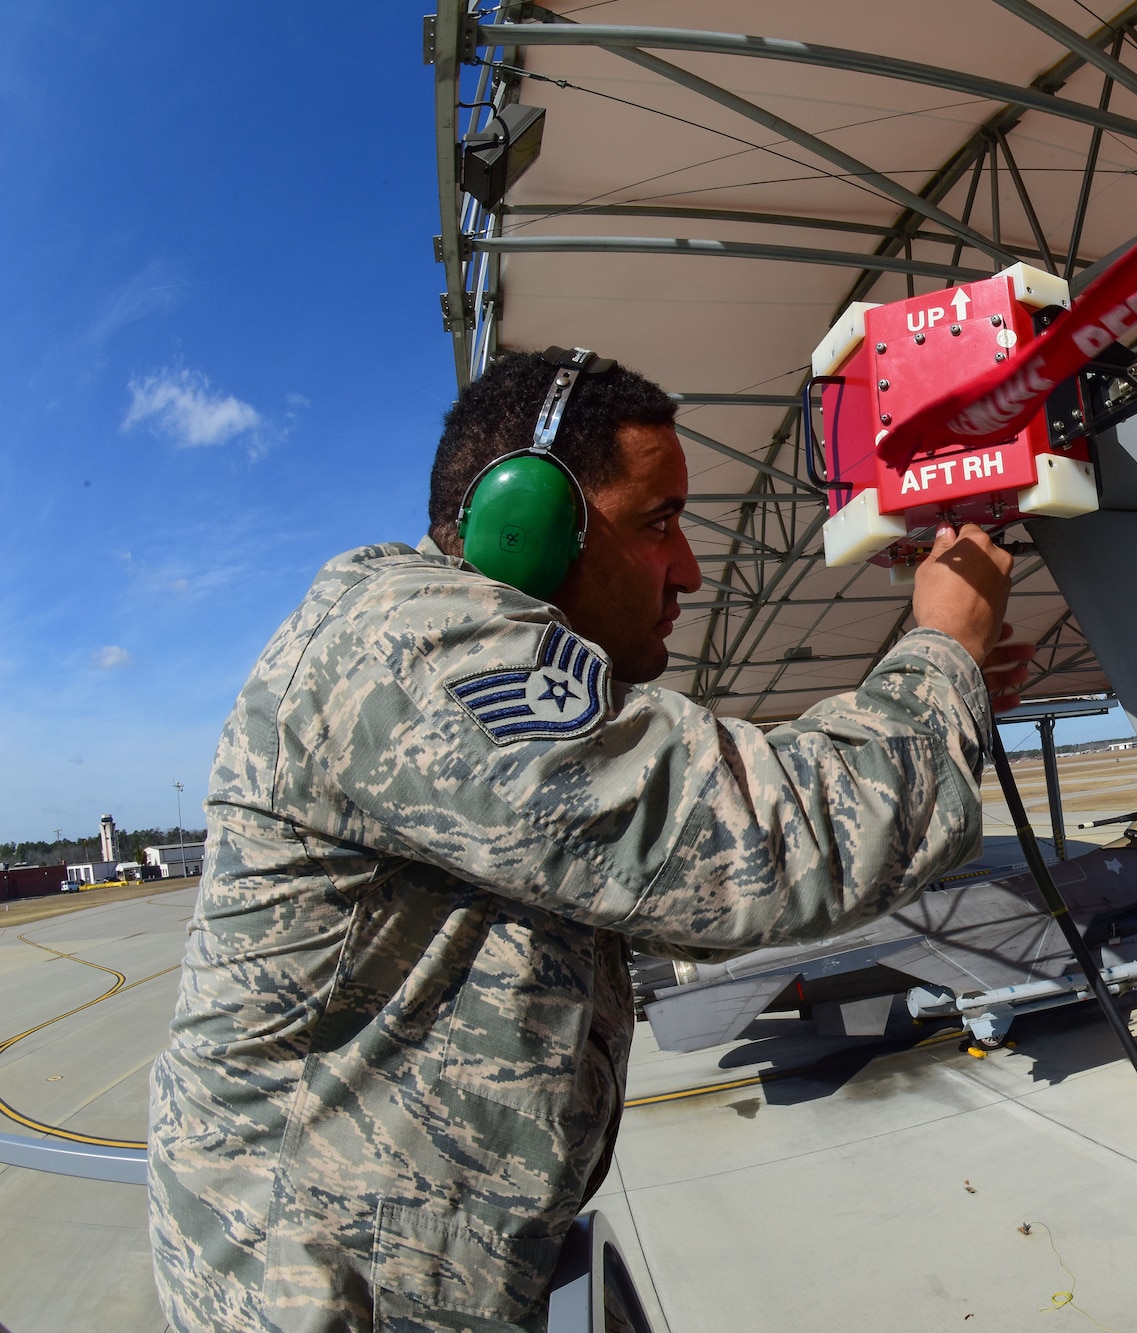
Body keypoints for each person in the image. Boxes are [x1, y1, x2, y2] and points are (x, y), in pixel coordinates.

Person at [148, 348, 1034, 1332]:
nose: (691, 569)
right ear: (529, 524)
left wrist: (932, 701)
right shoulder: (412, 648)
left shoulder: (421, 652)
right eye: (659, 523)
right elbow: (769, 850)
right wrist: (941, 652)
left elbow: (672, 884)